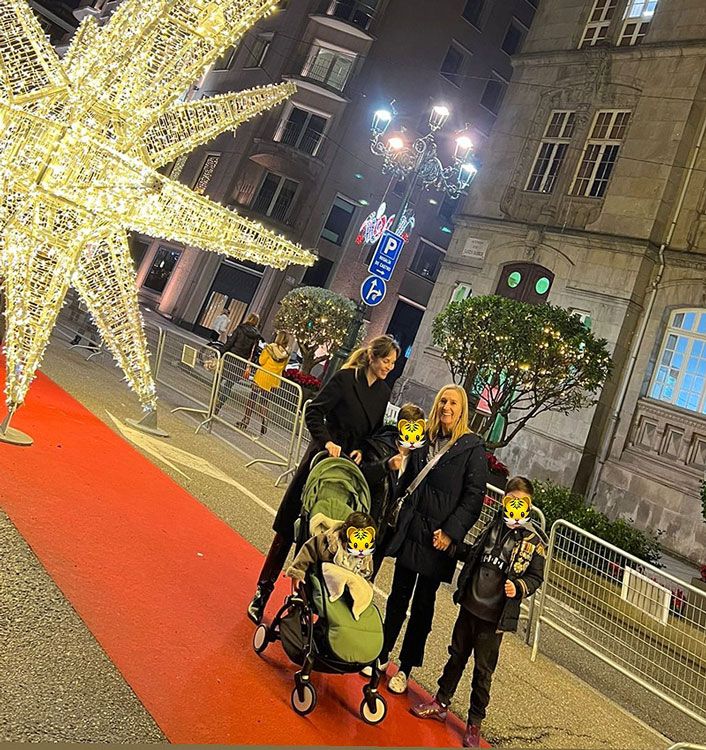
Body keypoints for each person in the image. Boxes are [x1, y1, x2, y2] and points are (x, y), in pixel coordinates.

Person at [246, 334, 400, 624]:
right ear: (373, 357)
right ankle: (261, 592)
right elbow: (314, 411)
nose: (389, 367)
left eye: (393, 363)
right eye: (385, 361)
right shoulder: (345, 379)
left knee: (325, 540)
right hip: (321, 460)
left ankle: (301, 606)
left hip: (347, 469)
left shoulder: (382, 393)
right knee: (289, 528)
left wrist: (361, 451)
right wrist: (327, 441)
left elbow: (374, 432)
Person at [409, 477, 547, 748]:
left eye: (522, 502)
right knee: (456, 656)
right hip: (471, 604)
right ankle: (441, 702)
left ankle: (474, 722)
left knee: (483, 671)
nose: (515, 506)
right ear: (505, 499)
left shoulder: (535, 540)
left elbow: (536, 577)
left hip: (494, 617)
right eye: (511, 500)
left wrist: (518, 587)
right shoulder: (493, 524)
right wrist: (451, 547)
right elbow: (474, 554)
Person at [372, 385, 487, 695]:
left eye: (453, 403)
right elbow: (409, 479)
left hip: (438, 541)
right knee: (397, 596)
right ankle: (382, 653)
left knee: (423, 605)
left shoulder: (472, 449)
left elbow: (473, 497)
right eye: (443, 401)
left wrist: (451, 531)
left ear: (463, 410)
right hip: (413, 530)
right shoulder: (425, 437)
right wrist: (397, 465)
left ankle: (406, 667)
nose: (446, 407)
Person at [359, 402, 426, 581]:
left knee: (368, 577)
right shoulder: (379, 446)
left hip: (388, 529)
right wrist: (386, 466)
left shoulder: (418, 458)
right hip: (367, 519)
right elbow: (363, 475)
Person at [236, 330, 290, 436]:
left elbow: (261, 361)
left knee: (252, 398)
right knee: (264, 402)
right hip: (274, 380)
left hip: (262, 376)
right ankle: (264, 419)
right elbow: (283, 368)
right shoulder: (286, 354)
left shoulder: (269, 348)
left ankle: (246, 420)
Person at [214, 312, 262, 414]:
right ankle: (219, 405)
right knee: (229, 385)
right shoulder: (256, 335)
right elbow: (254, 351)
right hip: (241, 362)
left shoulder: (240, 329)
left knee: (219, 378)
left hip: (231, 357)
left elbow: (230, 342)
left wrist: (221, 352)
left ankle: (216, 398)